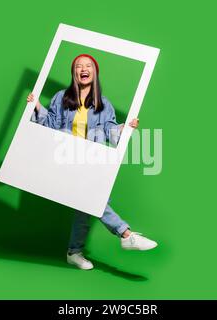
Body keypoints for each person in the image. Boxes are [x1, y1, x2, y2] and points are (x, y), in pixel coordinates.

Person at [28, 54, 157, 270]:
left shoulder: (103, 104)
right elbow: (49, 124)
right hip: (63, 160)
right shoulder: (61, 97)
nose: (83, 69)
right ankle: (126, 234)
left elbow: (109, 131)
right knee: (92, 198)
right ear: (74, 73)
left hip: (88, 162)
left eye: (88, 66)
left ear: (94, 72)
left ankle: (74, 252)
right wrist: (36, 106)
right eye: (79, 66)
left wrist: (125, 129)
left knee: (85, 206)